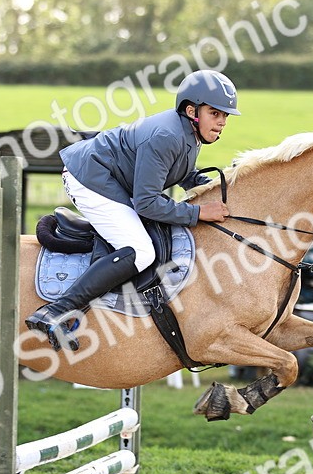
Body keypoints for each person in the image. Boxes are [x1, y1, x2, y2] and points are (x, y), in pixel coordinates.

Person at [25, 69, 238, 351]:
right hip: (88, 178)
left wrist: (216, 185)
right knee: (141, 251)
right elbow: (147, 203)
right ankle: (55, 311)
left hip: (109, 177)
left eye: (225, 116)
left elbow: (182, 172)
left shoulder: (188, 132)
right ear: (192, 111)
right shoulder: (168, 135)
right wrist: (198, 213)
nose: (222, 121)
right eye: (215, 113)